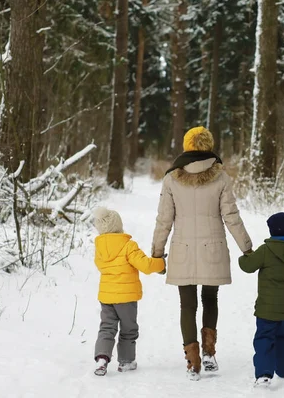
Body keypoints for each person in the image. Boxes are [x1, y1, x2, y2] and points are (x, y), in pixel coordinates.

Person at [151, 126, 252, 381]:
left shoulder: (172, 178)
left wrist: (157, 253)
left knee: (187, 305)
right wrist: (247, 248)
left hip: (182, 250)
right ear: (209, 145)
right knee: (210, 299)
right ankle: (209, 353)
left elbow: (164, 219)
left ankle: (192, 362)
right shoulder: (220, 177)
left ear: (187, 146)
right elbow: (231, 216)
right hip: (213, 250)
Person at [238, 212, 284, 387]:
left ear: (271, 230)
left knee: (264, 338)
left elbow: (248, 267)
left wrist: (244, 256)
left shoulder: (265, 250)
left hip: (266, 309)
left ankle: (264, 373)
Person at [92, 207, 165, 376]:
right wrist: (160, 263)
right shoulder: (128, 245)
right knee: (128, 329)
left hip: (107, 296)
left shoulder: (100, 247)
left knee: (107, 328)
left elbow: (100, 266)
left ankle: (102, 358)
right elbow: (146, 265)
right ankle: (125, 361)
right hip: (126, 298)